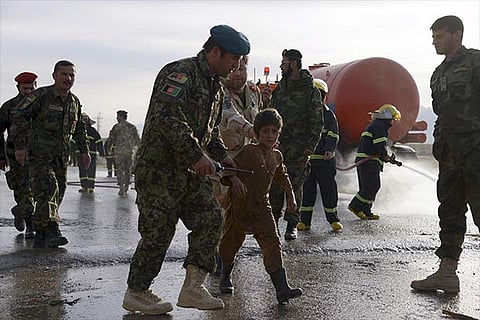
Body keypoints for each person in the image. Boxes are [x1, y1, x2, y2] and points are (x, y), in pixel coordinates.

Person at [122, 24, 250, 315]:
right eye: (233, 59)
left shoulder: (216, 87)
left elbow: (209, 131)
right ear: (215, 52)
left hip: (190, 173)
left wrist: (222, 157)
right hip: (159, 170)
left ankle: (192, 288)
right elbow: (167, 117)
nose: (236, 67)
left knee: (210, 217)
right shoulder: (179, 73)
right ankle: (137, 291)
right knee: (159, 231)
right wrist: (196, 155)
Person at [411, 15, 480, 293]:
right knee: (450, 212)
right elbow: (442, 113)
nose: (434, 41)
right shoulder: (437, 74)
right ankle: (447, 274)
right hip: (450, 154)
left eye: (439, 36)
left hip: (475, 150)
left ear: (457, 34)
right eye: (433, 36)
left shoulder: (475, 62)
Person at [218, 108, 303, 304]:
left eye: (274, 131)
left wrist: (291, 196)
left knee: (272, 241)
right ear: (257, 133)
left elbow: (282, 175)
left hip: (262, 206)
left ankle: (282, 288)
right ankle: (225, 275)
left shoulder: (277, 156)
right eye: (265, 131)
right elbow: (229, 169)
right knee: (231, 243)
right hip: (240, 205)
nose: (270, 136)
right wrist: (235, 181)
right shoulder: (249, 152)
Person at [10, 60, 91, 248]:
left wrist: (84, 150)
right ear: (55, 76)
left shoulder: (74, 102)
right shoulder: (41, 96)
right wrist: (20, 146)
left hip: (61, 157)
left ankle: (41, 234)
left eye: (71, 75)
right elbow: (20, 116)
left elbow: (79, 129)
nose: (68, 78)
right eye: (64, 74)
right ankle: (53, 228)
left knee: (57, 194)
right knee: (49, 188)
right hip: (39, 155)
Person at [268, 49, 324, 240]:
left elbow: (317, 119)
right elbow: (270, 114)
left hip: (299, 147)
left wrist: (311, 145)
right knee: (275, 185)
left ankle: (292, 224)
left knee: (295, 186)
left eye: (285, 62)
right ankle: (273, 223)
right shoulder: (280, 88)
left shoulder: (310, 90)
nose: (282, 65)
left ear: (295, 63)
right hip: (277, 146)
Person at [298, 78, 342, 232]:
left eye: (319, 95)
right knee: (307, 192)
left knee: (328, 190)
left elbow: (333, 134)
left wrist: (329, 149)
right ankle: (304, 221)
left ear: (324, 97)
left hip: (325, 161)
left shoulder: (329, 116)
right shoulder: (304, 116)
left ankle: (333, 219)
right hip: (308, 162)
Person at [347, 104, 401, 220]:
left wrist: (385, 157)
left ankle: (366, 211)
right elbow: (379, 145)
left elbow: (376, 146)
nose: (392, 122)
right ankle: (355, 206)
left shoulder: (377, 125)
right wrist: (385, 156)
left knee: (369, 186)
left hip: (367, 160)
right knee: (372, 185)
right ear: (386, 116)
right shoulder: (380, 126)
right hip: (368, 161)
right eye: (392, 118)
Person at [0, 72, 37, 238]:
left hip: (39, 154)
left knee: (39, 190)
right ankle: (30, 225)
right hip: (16, 156)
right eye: (25, 88)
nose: (28, 91)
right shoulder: (9, 107)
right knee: (23, 190)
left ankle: (19, 210)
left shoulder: (41, 104)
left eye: (31, 87)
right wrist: (1, 156)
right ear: (18, 88)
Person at [105, 110, 140, 196]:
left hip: (120, 152)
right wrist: (138, 150)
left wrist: (108, 149)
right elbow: (137, 140)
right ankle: (127, 187)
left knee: (120, 170)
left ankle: (121, 187)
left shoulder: (117, 127)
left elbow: (111, 139)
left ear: (121, 116)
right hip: (129, 152)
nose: (116, 118)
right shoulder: (132, 127)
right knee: (128, 170)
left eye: (118, 116)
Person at [74, 113, 105, 193]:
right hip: (80, 155)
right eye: (83, 118)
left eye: (86, 118)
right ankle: (84, 187)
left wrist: (101, 152)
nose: (85, 120)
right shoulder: (77, 132)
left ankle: (90, 187)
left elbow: (99, 142)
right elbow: (72, 143)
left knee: (91, 170)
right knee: (82, 170)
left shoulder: (93, 131)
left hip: (92, 154)